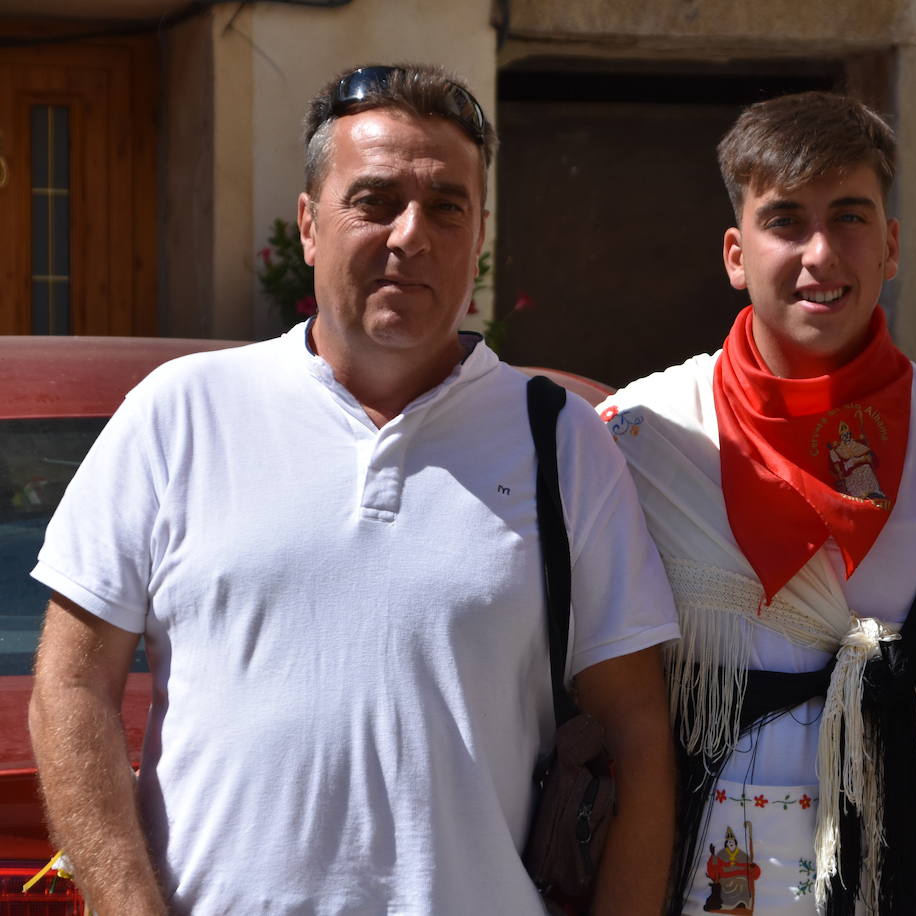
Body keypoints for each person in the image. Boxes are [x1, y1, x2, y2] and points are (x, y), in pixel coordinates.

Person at [27, 63, 679, 915]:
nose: (412, 235)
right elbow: (69, 686)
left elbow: (637, 737)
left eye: (448, 206)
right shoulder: (180, 411)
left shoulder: (562, 440)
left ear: (478, 234)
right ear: (308, 223)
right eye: (374, 201)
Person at [597, 91, 916, 915]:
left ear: (891, 244)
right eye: (786, 220)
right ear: (735, 251)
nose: (820, 254)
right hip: (707, 876)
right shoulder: (639, 435)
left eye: (851, 218)